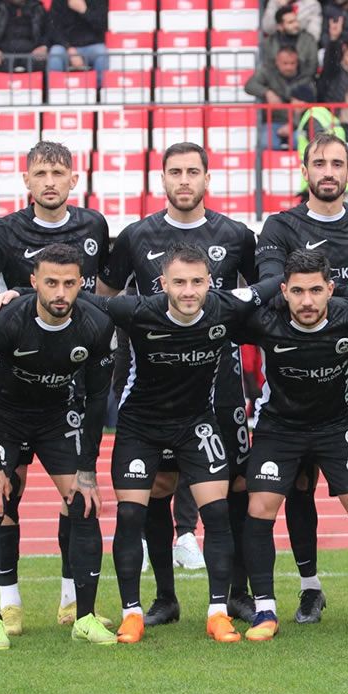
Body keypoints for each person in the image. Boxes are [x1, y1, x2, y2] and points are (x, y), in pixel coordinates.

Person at [0, 140, 109, 635]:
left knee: (79, 500)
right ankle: (8, 605)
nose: (50, 182)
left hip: (64, 391)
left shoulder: (95, 226)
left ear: (73, 179)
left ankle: (72, 605)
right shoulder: (5, 231)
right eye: (41, 173)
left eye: (58, 173)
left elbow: (106, 290)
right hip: (9, 385)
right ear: (27, 180)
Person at [96, 143, 261, 626]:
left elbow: (260, 298)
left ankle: (236, 594)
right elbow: (105, 298)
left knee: (235, 484)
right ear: (162, 179)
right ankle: (165, 598)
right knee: (158, 486)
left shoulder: (235, 235)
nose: (184, 180)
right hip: (152, 378)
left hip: (219, 380)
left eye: (193, 171)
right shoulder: (136, 236)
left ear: (208, 178)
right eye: (175, 172)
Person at [86, 242, 279, 645]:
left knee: (218, 513)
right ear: (162, 284)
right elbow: (77, 298)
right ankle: (132, 614)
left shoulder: (226, 306)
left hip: (197, 425)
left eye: (196, 282)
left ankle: (217, 613)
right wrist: (18, 294)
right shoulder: (137, 311)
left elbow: (280, 283)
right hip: (140, 427)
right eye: (179, 283)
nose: (188, 291)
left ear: (210, 282)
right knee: (130, 516)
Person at [255, 133, 348, 625]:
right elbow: (271, 289)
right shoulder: (282, 225)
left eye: (336, 163)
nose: (327, 171)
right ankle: (310, 588)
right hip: (298, 379)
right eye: (318, 163)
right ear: (305, 171)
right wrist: (342, 300)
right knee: (299, 486)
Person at [239, 249, 348, 641]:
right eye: (297, 291)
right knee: (260, 507)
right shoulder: (264, 321)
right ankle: (265, 611)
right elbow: (215, 312)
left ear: (331, 289)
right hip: (279, 427)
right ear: (284, 291)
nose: (307, 301)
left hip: (337, 424)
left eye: (316, 290)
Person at [0, 244, 115, 649]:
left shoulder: (97, 325)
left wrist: (87, 468)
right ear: (34, 281)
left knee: (83, 502)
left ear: (81, 283)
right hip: (4, 417)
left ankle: (83, 616)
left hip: (57, 417)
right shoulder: (3, 324)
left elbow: (97, 401)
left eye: (69, 283)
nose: (60, 293)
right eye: (51, 282)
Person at [245, 46, 316, 149]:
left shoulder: (305, 78)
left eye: (292, 63)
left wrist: (292, 125)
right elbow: (249, 85)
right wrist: (267, 92)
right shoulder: (268, 72)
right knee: (266, 143)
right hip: (273, 121)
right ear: (277, 62)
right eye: (285, 63)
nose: (289, 67)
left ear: (297, 62)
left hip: (299, 123)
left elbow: (308, 106)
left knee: (300, 143)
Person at [46, 0, 108, 80]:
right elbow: (54, 28)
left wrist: (84, 10)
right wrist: (68, 48)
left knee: (102, 52)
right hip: (66, 47)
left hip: (92, 46)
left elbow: (103, 25)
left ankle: (100, 87)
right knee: (55, 53)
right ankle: (55, 86)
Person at [0, 0, 48, 72]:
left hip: (33, 52)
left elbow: (48, 31)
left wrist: (43, 46)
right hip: (3, 52)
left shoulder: (37, 8)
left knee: (42, 62)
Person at [261, 5, 320, 80]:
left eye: (296, 21)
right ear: (280, 26)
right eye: (290, 22)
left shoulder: (309, 40)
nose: (296, 25)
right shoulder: (269, 43)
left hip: (303, 83)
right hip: (276, 84)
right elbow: (268, 68)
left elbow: (312, 67)